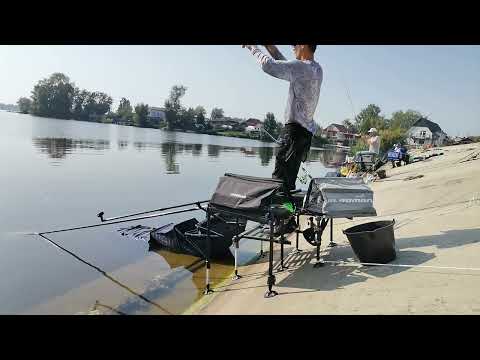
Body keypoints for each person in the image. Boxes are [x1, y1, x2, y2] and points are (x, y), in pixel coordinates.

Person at [242, 45, 322, 191]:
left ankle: (282, 211)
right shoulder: (316, 69)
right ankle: (288, 211)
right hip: (304, 135)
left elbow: (269, 65)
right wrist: (270, 48)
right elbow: (287, 67)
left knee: (279, 183)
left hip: (292, 133)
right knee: (288, 182)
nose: (292, 48)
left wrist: (252, 47)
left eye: (294, 45)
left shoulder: (301, 68)